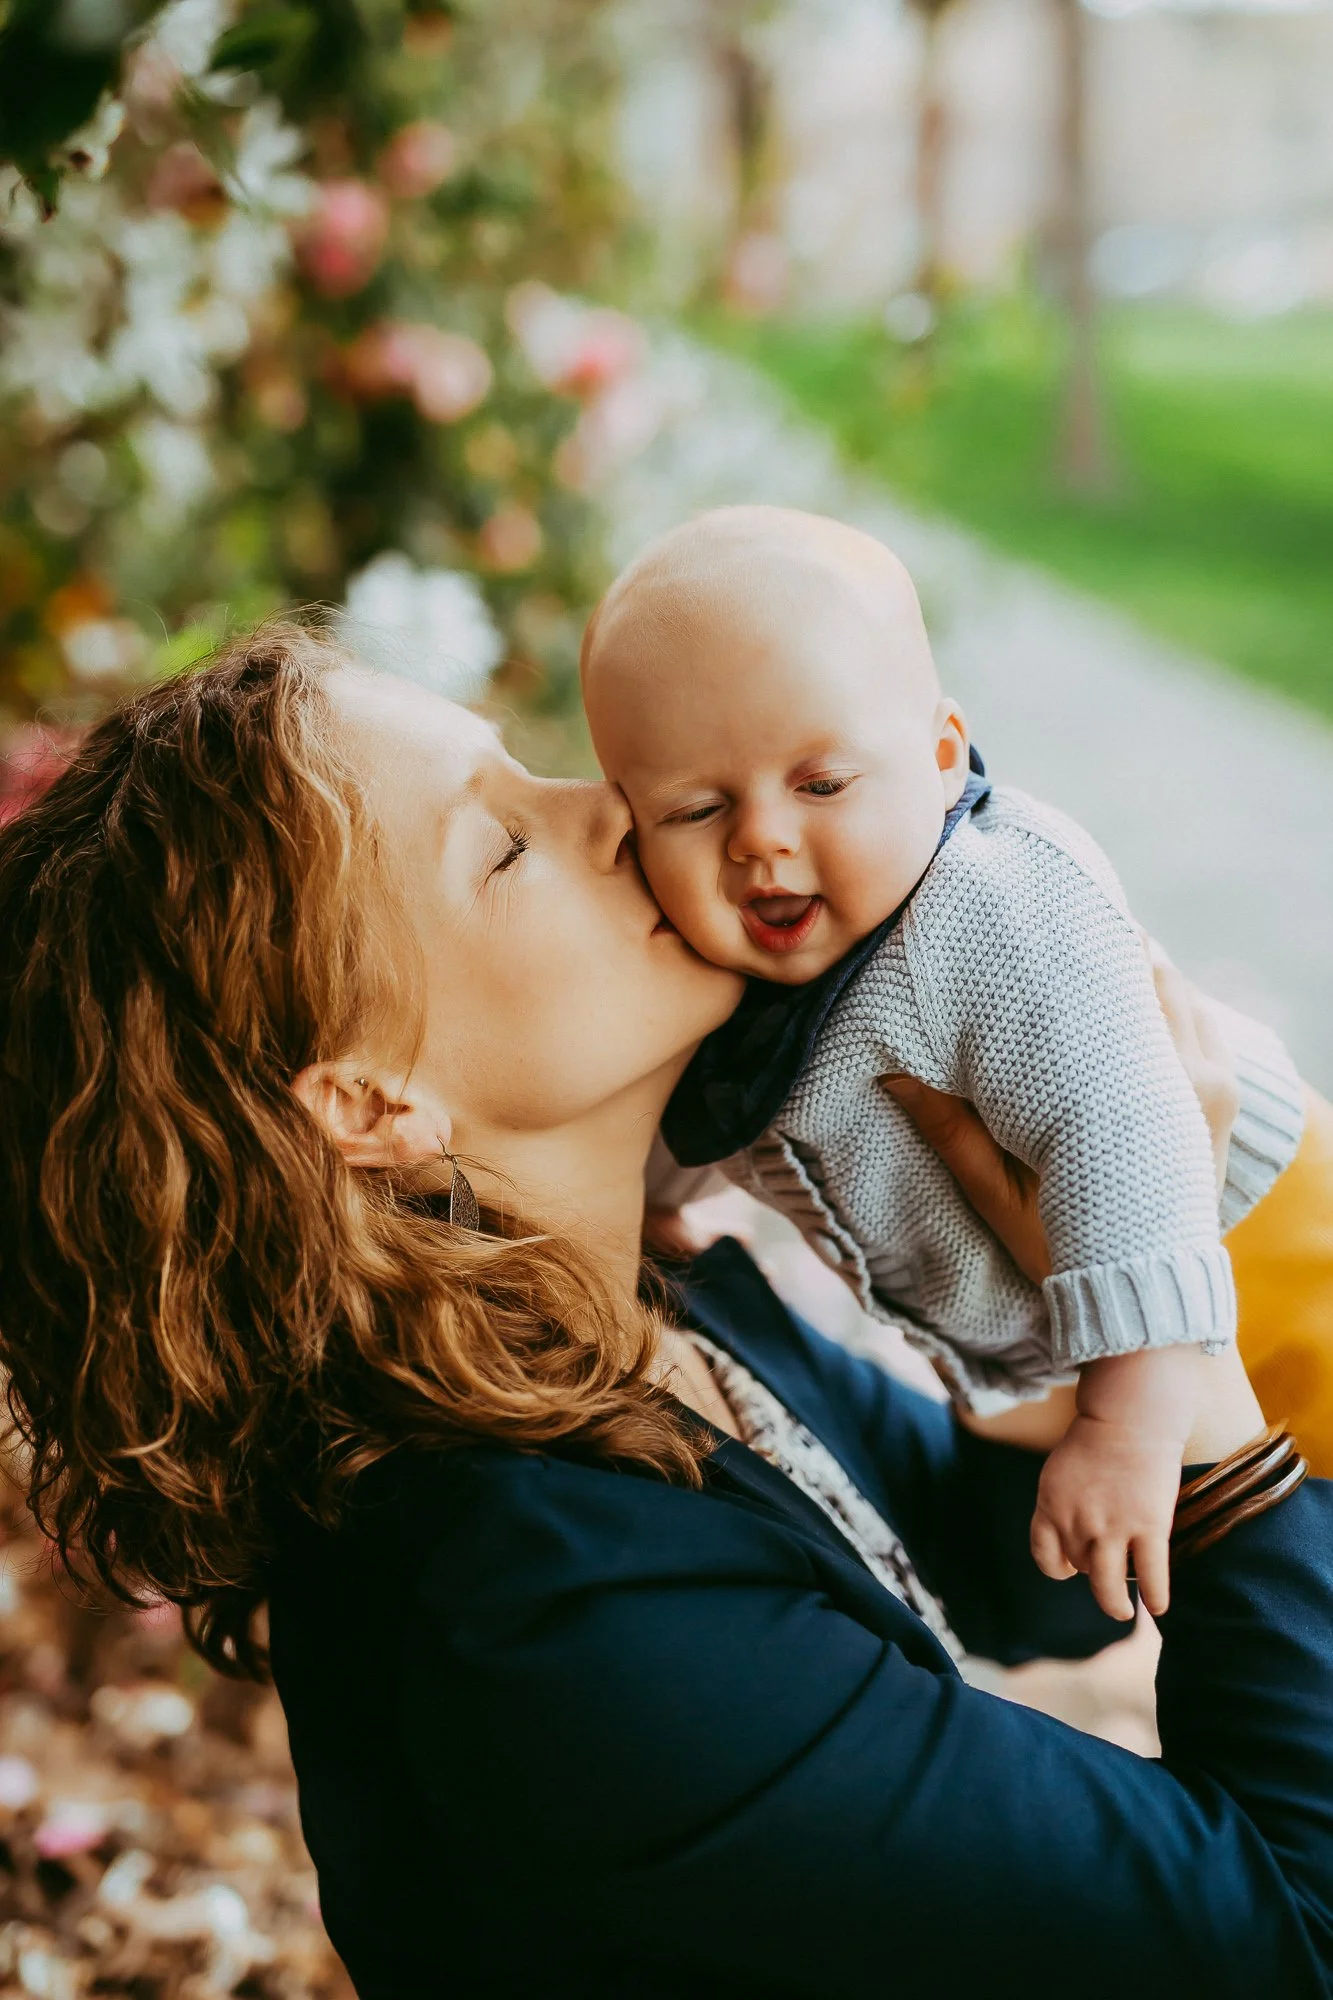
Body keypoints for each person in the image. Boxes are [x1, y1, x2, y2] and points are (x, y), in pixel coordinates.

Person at [0, 625, 1329, 2000]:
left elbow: (1010, 1565)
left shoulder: (603, 1312)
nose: (614, 808)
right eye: (505, 845)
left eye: (533, 771)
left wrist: (1101, 1246)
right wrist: (1198, 1378)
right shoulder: (552, 1618)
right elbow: (1297, 1932)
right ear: (371, 1101)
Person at [580, 504, 1304, 1620]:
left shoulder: (988, 908)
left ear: (939, 752)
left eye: (820, 783)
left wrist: (1129, 1421)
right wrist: (627, 1209)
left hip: (1262, 1255)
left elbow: (1129, 1132)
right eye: (697, 806)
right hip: (1084, 1332)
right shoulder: (728, 965)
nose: (760, 839)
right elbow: (701, 1114)